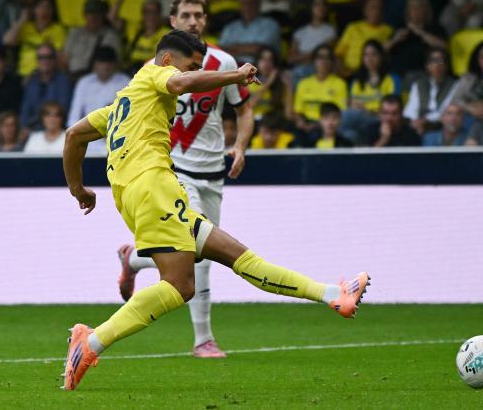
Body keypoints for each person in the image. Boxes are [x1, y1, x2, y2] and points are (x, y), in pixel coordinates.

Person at [62, 29, 370, 391]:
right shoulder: (154, 74)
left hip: (141, 194)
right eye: (190, 65)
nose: (192, 72)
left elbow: (73, 136)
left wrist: (78, 188)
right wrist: (236, 75)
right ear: (166, 60)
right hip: (153, 187)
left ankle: (333, 294)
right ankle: (92, 343)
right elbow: (179, 83)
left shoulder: (121, 105)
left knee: (238, 256)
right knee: (180, 286)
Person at [116, 0, 256, 359]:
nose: (193, 21)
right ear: (172, 22)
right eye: (186, 15)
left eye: (199, 15)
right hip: (174, 168)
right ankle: (203, 340)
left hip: (213, 170)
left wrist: (240, 145)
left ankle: (133, 259)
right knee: (200, 254)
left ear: (206, 20)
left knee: (199, 251)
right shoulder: (159, 69)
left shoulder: (222, 60)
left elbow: (244, 110)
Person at [66, 47, 129, 154]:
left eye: (108, 63)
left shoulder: (125, 82)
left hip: (118, 140)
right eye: (101, 62)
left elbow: (131, 116)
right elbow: (73, 119)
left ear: (114, 65)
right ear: (94, 64)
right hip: (88, 140)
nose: (105, 66)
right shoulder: (84, 83)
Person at [340, 40, 400, 146]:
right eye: (366, 55)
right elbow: (352, 104)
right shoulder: (357, 81)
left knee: (346, 115)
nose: (369, 58)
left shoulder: (391, 79)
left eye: (373, 54)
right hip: (359, 121)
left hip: (379, 120)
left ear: (381, 57)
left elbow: (394, 109)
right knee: (349, 134)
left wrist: (367, 110)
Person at [293, 44, 347, 146]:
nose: (323, 61)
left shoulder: (340, 84)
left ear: (332, 62)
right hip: (306, 123)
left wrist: (317, 124)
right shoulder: (303, 83)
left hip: (327, 125)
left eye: (327, 58)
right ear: (314, 61)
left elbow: (340, 112)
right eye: (320, 57)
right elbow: (297, 111)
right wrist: (300, 122)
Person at [384, 0, 447, 78]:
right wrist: (395, 40)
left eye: (419, 7)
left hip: (425, 74)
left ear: (426, 10)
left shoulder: (434, 27)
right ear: (408, 10)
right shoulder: (401, 27)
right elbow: (381, 50)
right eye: (412, 7)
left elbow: (444, 46)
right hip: (400, 74)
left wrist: (420, 32)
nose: (415, 10)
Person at [2, 0, 67, 77]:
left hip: (47, 74)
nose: (44, 11)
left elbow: (61, 56)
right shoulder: (26, 27)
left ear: (52, 11)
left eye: (48, 8)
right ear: (34, 10)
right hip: (25, 74)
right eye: (40, 7)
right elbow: (6, 41)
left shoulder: (58, 29)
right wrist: (22, 20)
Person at [61, 0, 121, 80]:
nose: (93, 17)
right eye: (90, 13)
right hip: (72, 77)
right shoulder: (75, 33)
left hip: (98, 80)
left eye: (97, 13)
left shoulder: (111, 36)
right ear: (84, 15)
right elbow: (64, 60)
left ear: (103, 15)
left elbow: (115, 64)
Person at [403, 47, 458, 136]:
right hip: (418, 126)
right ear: (427, 65)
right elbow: (410, 110)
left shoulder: (454, 85)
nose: (437, 64)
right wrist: (416, 122)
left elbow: (445, 110)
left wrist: (425, 120)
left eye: (440, 61)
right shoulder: (418, 84)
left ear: (446, 65)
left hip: (441, 126)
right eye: (433, 61)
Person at [110, 0, 170, 75]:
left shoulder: (167, 33)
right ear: (142, 15)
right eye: (147, 12)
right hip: (130, 71)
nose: (150, 16)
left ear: (159, 14)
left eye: (154, 12)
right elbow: (111, 18)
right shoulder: (134, 28)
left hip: (152, 73)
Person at [335, 0, 393, 76]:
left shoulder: (388, 30)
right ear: (365, 10)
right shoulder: (353, 27)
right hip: (348, 72)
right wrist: (342, 69)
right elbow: (339, 54)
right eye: (372, 7)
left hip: (371, 74)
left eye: (379, 8)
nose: (375, 11)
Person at [218, 0, 281, 64]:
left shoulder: (271, 24)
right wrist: (247, 48)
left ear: (258, 4)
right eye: (244, 3)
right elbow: (220, 50)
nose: (248, 6)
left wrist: (232, 48)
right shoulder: (230, 27)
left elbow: (259, 50)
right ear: (240, 5)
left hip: (257, 69)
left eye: (252, 3)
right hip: (231, 68)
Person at [20, 43, 73, 130]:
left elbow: (61, 111)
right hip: (31, 129)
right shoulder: (31, 81)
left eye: (49, 57)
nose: (45, 61)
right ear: (37, 61)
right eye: (41, 57)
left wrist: (32, 123)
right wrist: (23, 127)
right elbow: (25, 109)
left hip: (55, 129)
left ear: (55, 60)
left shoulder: (64, 81)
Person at [288, 0, 337, 84]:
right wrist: (310, 55)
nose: (321, 7)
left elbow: (323, 53)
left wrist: (302, 56)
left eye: (323, 5)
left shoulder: (331, 31)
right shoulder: (299, 32)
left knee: (299, 72)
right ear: (311, 8)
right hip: (300, 68)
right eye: (317, 4)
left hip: (320, 67)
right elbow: (290, 58)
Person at [247, 46, 292, 122]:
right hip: (252, 122)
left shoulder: (281, 84)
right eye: (263, 59)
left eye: (270, 59)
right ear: (257, 62)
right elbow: (249, 105)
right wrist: (269, 82)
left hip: (273, 123)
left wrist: (289, 87)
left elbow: (289, 115)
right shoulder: (248, 81)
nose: (266, 63)